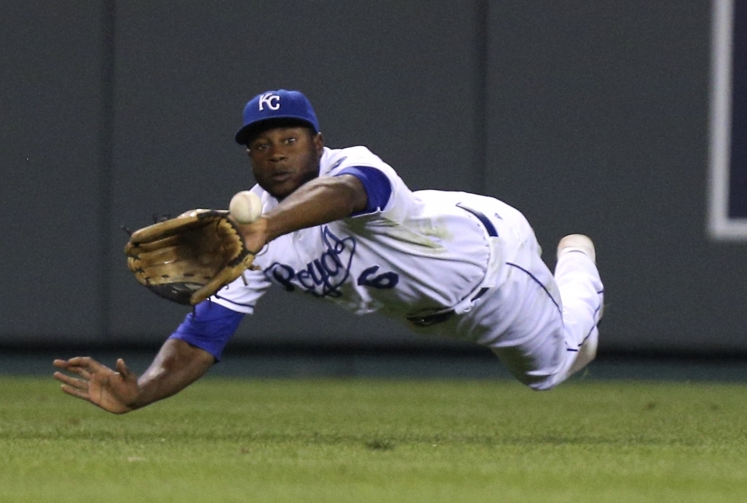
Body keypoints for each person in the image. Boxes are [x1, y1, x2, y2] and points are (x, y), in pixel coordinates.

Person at [54, 89, 604, 413]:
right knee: (541, 370)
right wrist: (140, 394)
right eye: (261, 145)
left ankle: (576, 265)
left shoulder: (353, 167)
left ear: (318, 142)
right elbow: (203, 336)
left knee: (553, 369)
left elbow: (347, 195)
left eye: (289, 139)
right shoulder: (242, 236)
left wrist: (265, 226)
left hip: (494, 266)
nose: (276, 155)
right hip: (428, 311)